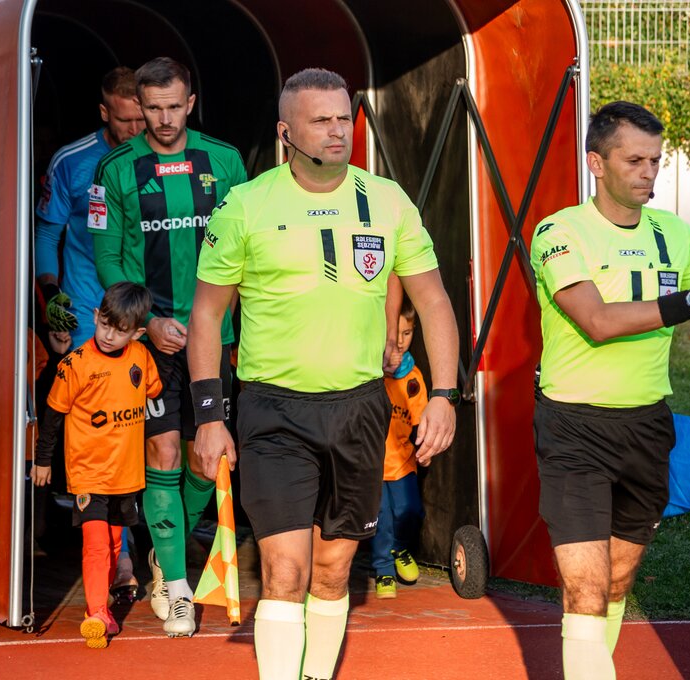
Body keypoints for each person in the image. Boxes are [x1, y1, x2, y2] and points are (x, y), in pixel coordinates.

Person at [187, 68, 459, 680]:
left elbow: (434, 300)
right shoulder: (245, 205)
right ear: (286, 133)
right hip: (273, 411)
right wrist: (209, 416)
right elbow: (205, 315)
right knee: (286, 571)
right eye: (321, 121)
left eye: (344, 118)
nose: (339, 131)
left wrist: (444, 394)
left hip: (359, 409)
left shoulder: (388, 200)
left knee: (334, 572)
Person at [529, 100, 690, 680]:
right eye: (634, 160)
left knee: (616, 582)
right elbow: (597, 320)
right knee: (585, 588)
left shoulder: (679, 235)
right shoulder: (559, 232)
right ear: (596, 163)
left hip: (646, 426)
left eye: (655, 161)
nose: (648, 172)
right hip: (573, 427)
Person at [91, 56, 247, 637]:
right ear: (140, 105)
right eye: (152, 108)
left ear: (191, 103)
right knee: (163, 455)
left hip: (217, 337)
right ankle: (179, 587)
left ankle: (163, 553)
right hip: (151, 342)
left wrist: (239, 327)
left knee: (208, 460)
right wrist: (149, 321)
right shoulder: (114, 169)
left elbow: (249, 248)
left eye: (173, 107)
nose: (162, 119)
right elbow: (107, 256)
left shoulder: (225, 161)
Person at [35, 65, 146, 604]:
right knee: (98, 430)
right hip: (87, 314)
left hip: (145, 314)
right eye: (125, 120)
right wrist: (50, 298)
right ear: (105, 113)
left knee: (140, 429)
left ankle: (141, 541)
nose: (136, 129)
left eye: (142, 118)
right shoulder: (72, 162)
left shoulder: (165, 160)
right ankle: (111, 553)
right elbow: (47, 231)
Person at [30, 282, 161, 649]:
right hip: (89, 473)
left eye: (119, 331)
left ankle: (102, 609)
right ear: (95, 316)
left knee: (115, 541)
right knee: (96, 543)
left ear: (136, 333)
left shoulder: (141, 357)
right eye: (104, 324)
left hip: (126, 474)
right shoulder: (76, 363)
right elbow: (53, 414)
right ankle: (97, 612)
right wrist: (44, 460)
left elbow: (153, 390)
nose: (108, 335)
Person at [373, 298, 427, 599]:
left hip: (404, 462)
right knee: (381, 518)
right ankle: (383, 570)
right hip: (375, 465)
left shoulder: (414, 378)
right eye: (396, 334)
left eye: (408, 333)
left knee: (411, 511)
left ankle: (399, 549)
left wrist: (425, 446)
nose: (401, 341)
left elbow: (420, 420)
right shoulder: (371, 374)